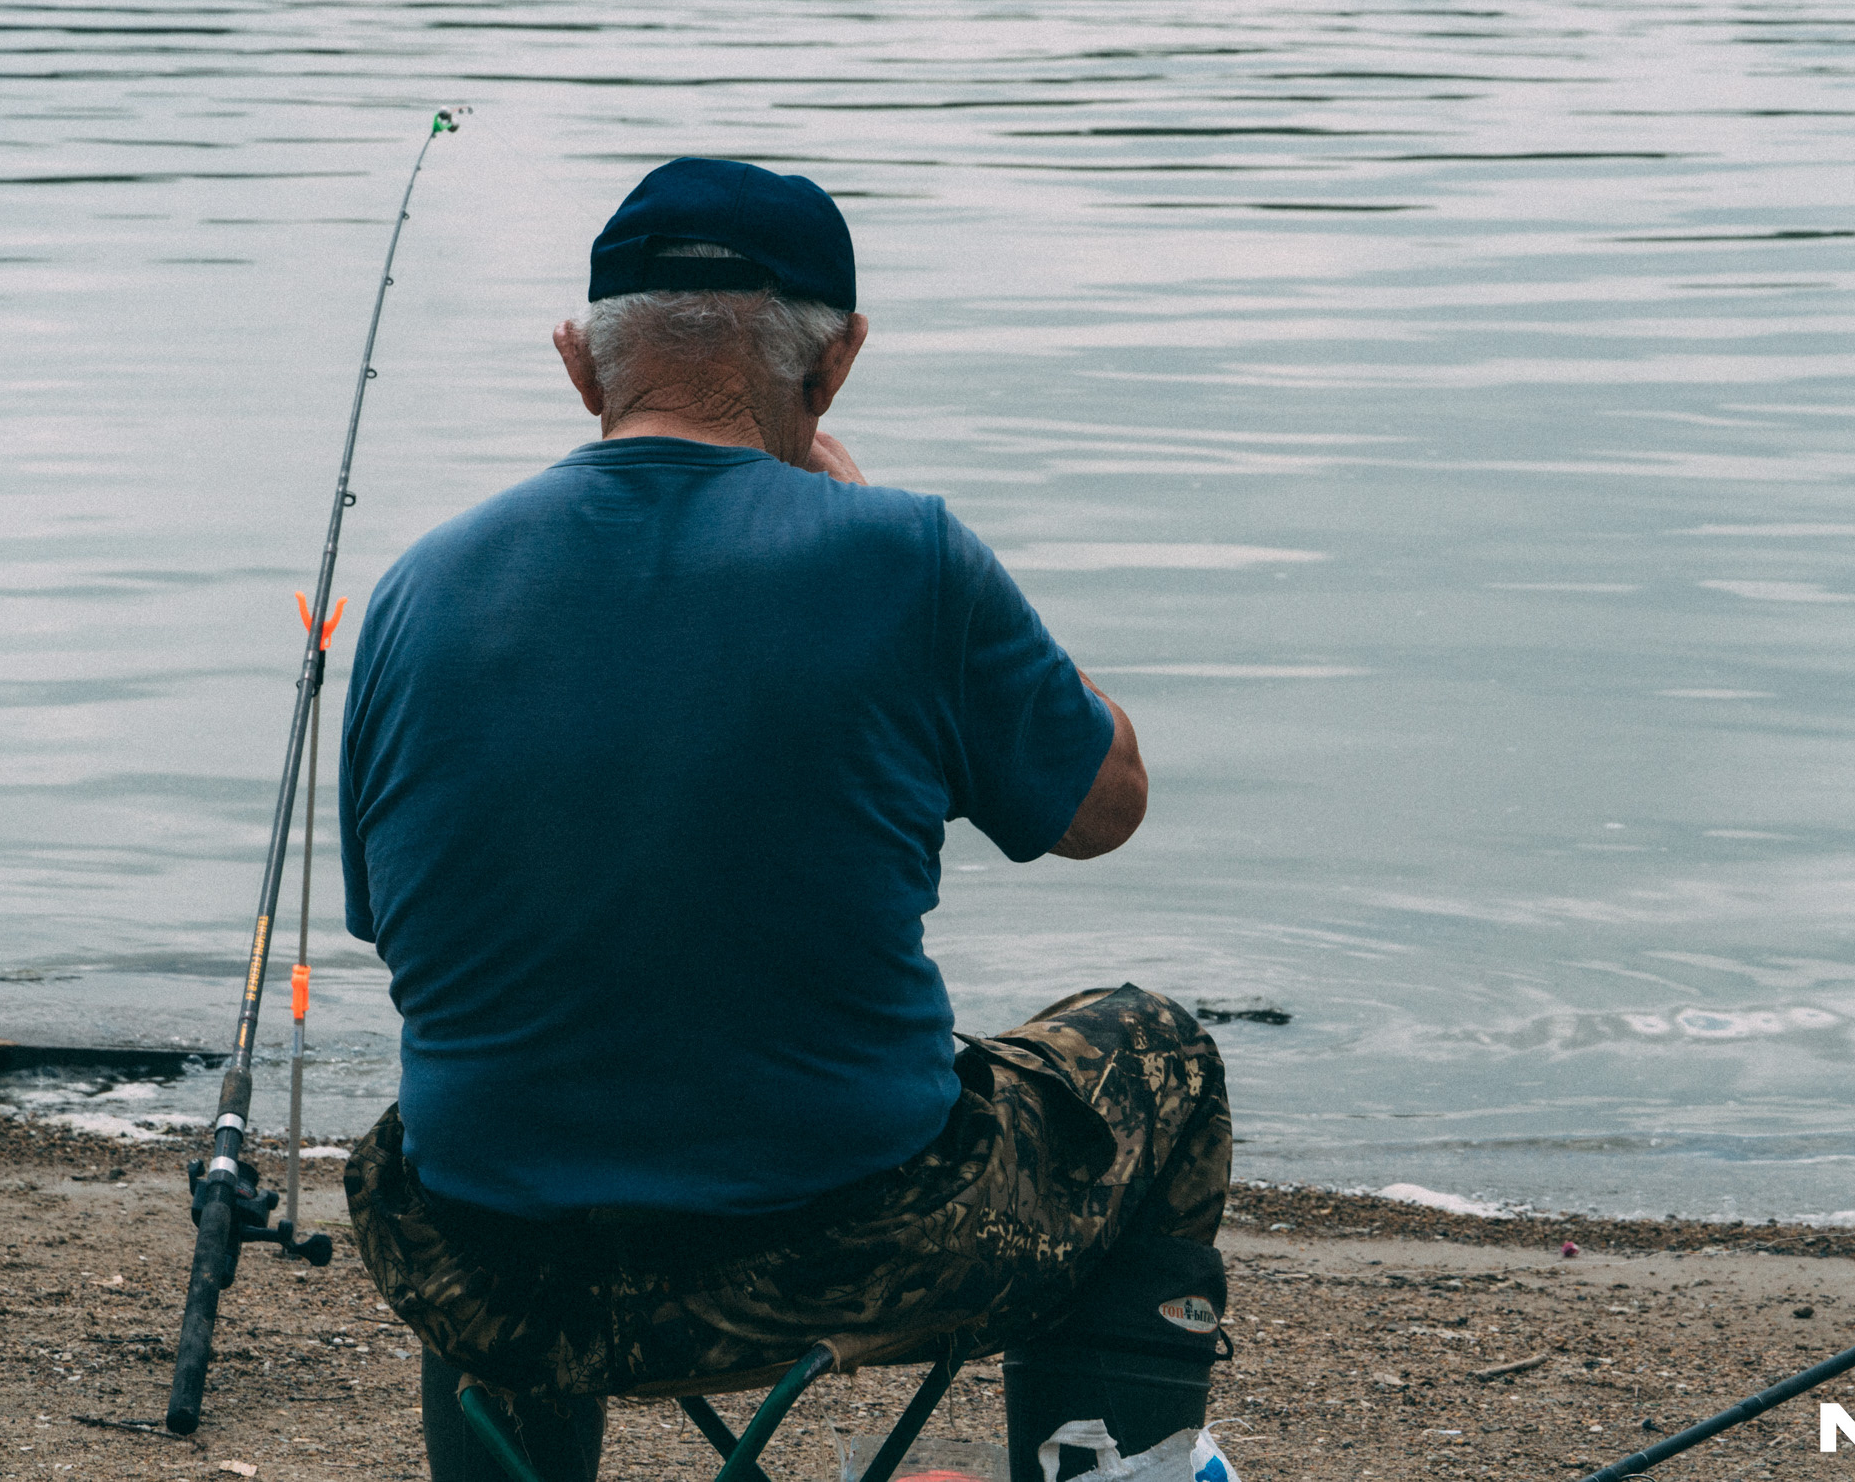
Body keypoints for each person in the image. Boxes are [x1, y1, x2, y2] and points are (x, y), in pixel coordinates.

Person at [334, 158, 1232, 1481]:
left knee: (480, 1105)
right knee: (1158, 1054)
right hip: (847, 1256)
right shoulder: (901, 555)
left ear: (582, 365)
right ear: (840, 362)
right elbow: (1106, 808)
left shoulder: (416, 592)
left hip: (499, 1281)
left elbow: (399, 929)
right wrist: (869, 524)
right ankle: (1108, 1470)